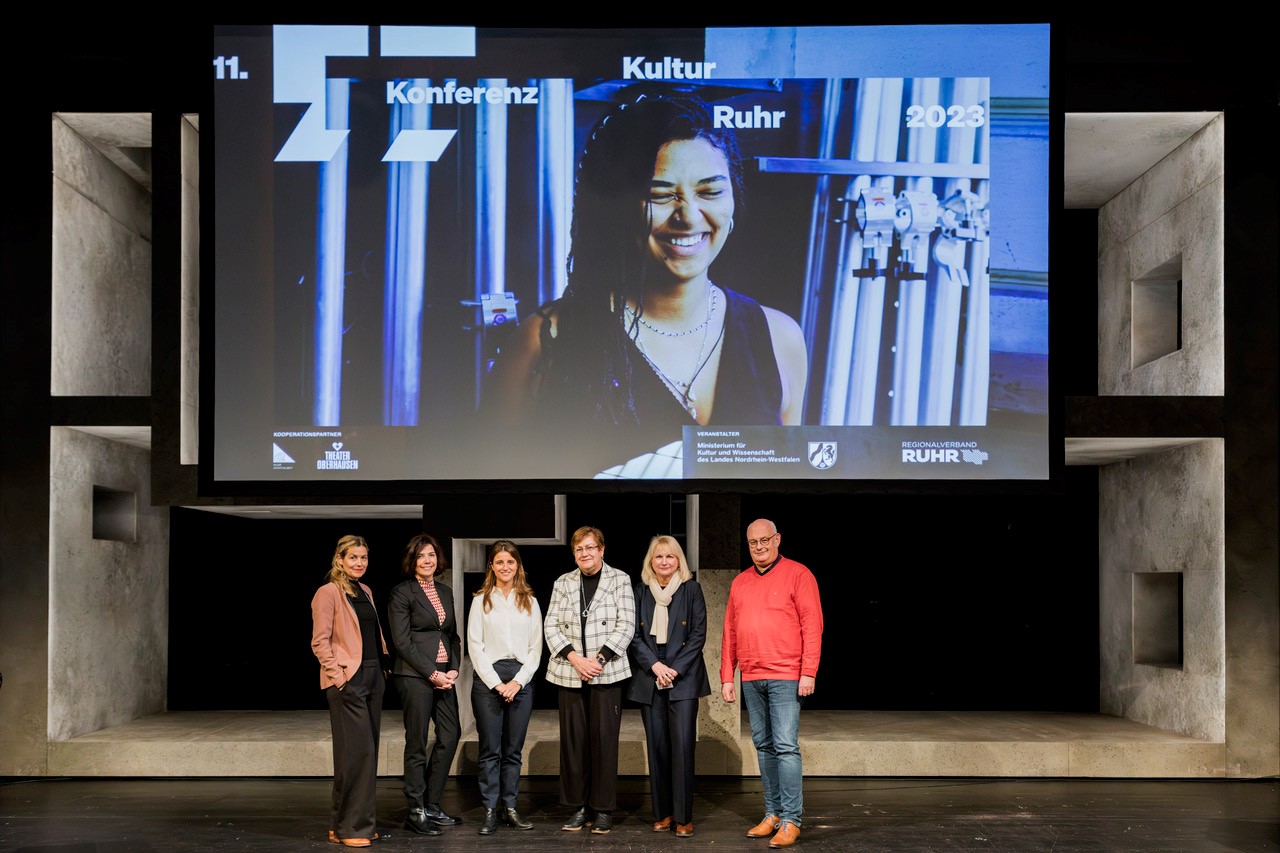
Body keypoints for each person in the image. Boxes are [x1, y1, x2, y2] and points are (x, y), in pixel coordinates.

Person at [484, 86, 808, 474]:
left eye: (710, 191)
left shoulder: (780, 338)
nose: (688, 216)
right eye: (660, 195)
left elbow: (781, 489)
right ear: (618, 207)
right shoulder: (544, 344)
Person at [720, 519, 823, 849]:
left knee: (785, 746)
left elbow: (812, 625)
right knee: (764, 746)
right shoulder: (740, 582)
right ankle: (774, 813)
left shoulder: (798, 574)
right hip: (752, 676)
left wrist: (809, 671)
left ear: (777, 539)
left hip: (786, 675)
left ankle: (792, 819)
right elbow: (730, 632)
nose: (760, 547)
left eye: (765, 540)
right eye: (753, 542)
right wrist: (727, 675)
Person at [544, 526, 636, 834]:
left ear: (602, 549)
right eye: (579, 549)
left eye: (590, 548)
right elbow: (551, 626)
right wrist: (574, 658)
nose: (585, 554)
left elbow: (626, 625)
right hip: (570, 672)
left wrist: (596, 661)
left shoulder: (619, 579)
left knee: (604, 743)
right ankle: (578, 806)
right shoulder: (563, 582)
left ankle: (603, 809)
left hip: (606, 672)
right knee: (574, 744)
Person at [627, 535, 711, 838]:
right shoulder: (639, 592)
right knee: (658, 748)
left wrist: (673, 669)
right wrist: (656, 666)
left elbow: (699, 635)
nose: (664, 562)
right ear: (651, 561)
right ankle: (662, 813)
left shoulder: (692, 590)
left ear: (679, 561)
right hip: (651, 676)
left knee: (683, 749)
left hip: (683, 677)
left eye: (670, 557)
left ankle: (684, 817)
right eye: (658, 557)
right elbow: (633, 636)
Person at [310, 535, 389, 849]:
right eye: (353, 557)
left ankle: (351, 824)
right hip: (348, 679)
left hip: (372, 677)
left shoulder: (365, 590)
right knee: (357, 755)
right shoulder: (327, 592)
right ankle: (349, 827)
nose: (359, 563)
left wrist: (381, 667)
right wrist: (339, 677)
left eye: (364, 558)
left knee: (365, 756)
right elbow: (320, 641)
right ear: (339, 559)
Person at [467, 540, 544, 834]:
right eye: (499, 562)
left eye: (510, 562)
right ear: (492, 566)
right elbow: (475, 647)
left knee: (513, 750)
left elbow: (536, 649)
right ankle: (489, 809)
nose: (505, 567)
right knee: (490, 749)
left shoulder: (530, 601)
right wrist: (498, 684)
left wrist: (517, 682)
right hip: (489, 679)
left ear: (517, 566)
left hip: (521, 678)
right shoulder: (480, 601)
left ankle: (510, 808)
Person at [388, 533, 461, 836]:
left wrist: (454, 669)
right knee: (417, 742)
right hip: (416, 675)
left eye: (431, 555)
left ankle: (432, 803)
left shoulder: (445, 591)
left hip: (446, 676)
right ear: (412, 561)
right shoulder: (402, 593)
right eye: (421, 556)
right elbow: (402, 642)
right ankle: (415, 809)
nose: (427, 561)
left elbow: (452, 635)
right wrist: (432, 673)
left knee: (451, 733)